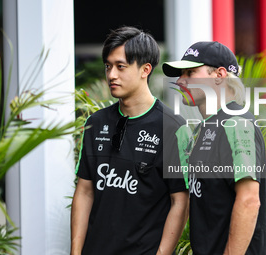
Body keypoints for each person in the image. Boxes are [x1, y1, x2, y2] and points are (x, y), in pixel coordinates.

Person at [71, 26, 189, 255]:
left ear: (145, 69)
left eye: (120, 67)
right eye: (108, 66)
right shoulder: (95, 123)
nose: (111, 75)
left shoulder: (173, 128)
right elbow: (85, 191)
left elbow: (180, 201)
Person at [162, 41, 266, 255]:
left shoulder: (236, 124)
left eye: (190, 72)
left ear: (219, 75)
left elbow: (249, 200)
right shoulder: (205, 128)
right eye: (180, 73)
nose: (181, 81)